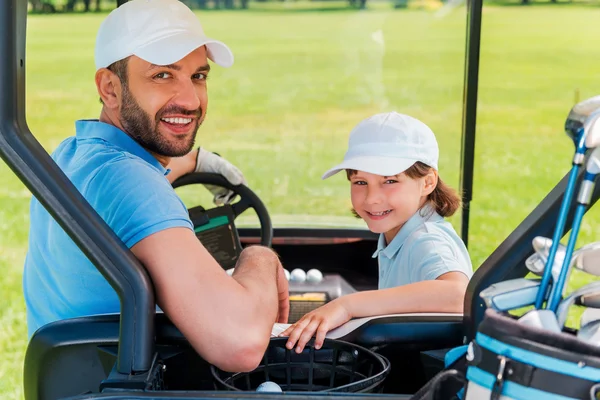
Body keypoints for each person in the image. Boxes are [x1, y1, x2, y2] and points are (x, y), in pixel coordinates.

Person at [23, 0, 289, 373]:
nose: (190, 99)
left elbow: (130, 180)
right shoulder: (131, 181)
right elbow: (239, 342)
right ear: (110, 88)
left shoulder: (72, 156)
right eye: (163, 75)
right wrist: (259, 257)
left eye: (198, 76)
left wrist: (193, 160)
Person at [281, 111, 473, 353]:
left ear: (427, 182)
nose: (372, 199)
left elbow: (458, 295)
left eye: (390, 181)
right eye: (360, 182)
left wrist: (347, 306)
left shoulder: (427, 240)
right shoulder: (396, 234)